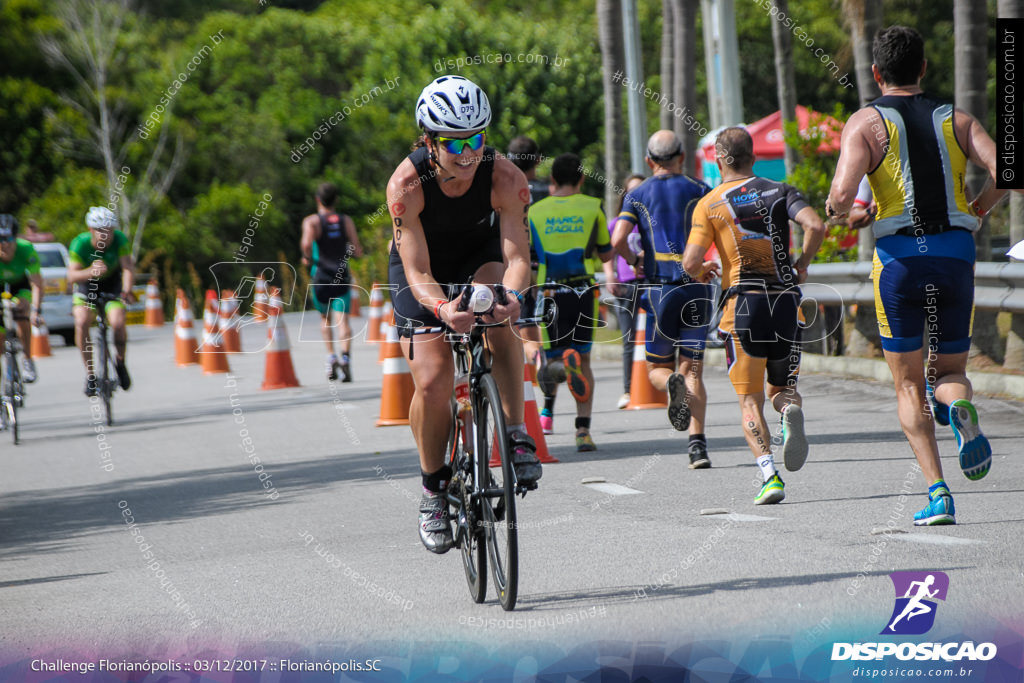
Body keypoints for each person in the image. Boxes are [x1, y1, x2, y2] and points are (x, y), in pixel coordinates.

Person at [825, 25, 1006, 525]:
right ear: (923, 69)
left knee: (908, 386)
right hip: (954, 251)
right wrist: (978, 208)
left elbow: (842, 197)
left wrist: (834, 207)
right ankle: (960, 412)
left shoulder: (865, 122)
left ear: (877, 73)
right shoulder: (957, 118)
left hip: (901, 259)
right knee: (949, 372)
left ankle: (939, 493)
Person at [386, 75, 538, 554]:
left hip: (480, 256)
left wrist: (511, 297)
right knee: (432, 382)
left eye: (477, 138)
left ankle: (516, 434)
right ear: (430, 141)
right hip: (424, 273)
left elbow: (517, 262)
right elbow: (416, 269)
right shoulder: (406, 185)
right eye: (456, 144)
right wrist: (439, 309)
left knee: (498, 312)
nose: (468, 152)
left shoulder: (506, 178)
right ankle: (433, 489)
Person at [683, 126, 825, 503]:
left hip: (743, 306)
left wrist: (702, 271)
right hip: (785, 302)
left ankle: (769, 476)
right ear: (753, 156)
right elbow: (815, 225)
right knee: (781, 390)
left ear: (718, 158)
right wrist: (802, 264)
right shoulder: (780, 190)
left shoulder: (710, 203)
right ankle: (790, 410)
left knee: (749, 401)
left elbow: (690, 261)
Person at [611, 130, 713, 469]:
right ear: (682, 156)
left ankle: (670, 384)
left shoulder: (638, 194)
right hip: (696, 286)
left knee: (658, 367)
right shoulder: (700, 190)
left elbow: (618, 238)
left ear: (648, 161)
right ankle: (697, 447)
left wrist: (635, 261)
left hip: (658, 290)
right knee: (693, 370)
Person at [529, 153, 613, 451]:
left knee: (550, 358)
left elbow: (529, 258)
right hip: (583, 293)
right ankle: (583, 432)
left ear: (552, 180)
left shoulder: (534, 211)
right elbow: (605, 253)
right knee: (585, 359)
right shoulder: (593, 207)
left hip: (550, 293)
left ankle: (556, 380)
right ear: (581, 178)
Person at [67, 207, 135, 397]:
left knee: (118, 322)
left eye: (110, 230)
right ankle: (90, 375)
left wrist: (127, 290)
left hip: (112, 285)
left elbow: (127, 267)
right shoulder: (79, 244)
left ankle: (120, 362)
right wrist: (90, 271)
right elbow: (71, 276)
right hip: (87, 286)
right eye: (101, 230)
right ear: (91, 230)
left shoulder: (120, 240)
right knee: (81, 322)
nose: (106, 235)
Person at [301, 182, 363, 382]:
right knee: (343, 320)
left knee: (325, 319)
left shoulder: (312, 222)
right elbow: (357, 249)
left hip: (321, 275)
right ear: (336, 200)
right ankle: (346, 357)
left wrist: (307, 258)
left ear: (317, 200)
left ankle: (331, 357)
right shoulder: (346, 221)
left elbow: (306, 244)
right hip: (341, 274)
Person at [507, 136, 548, 374]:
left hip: (517, 263)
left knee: (525, 326)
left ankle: (538, 359)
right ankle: (552, 359)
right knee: (549, 321)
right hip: (547, 264)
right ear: (538, 160)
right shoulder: (548, 191)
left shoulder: (504, 187)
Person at [606, 173, 645, 409]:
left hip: (652, 283)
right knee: (629, 339)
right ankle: (628, 389)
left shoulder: (653, 221)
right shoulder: (618, 222)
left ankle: (660, 384)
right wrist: (611, 275)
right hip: (627, 285)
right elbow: (607, 253)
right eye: (632, 192)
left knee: (659, 337)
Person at [0, 215, 43, 383]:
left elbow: (37, 284)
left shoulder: (26, 249)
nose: (4, 243)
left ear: (15, 238)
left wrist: (36, 310)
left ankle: (27, 359)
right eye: (0, 238)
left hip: (20, 286)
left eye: (8, 238)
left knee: (23, 312)